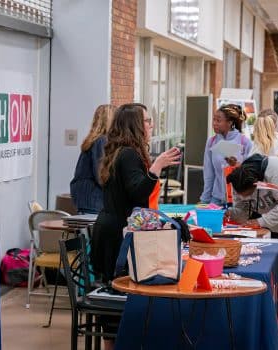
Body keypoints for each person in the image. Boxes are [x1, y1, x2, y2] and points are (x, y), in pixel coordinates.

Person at [90, 103, 181, 350]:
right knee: (119, 293)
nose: (151, 126)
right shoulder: (128, 154)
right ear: (135, 125)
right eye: (147, 121)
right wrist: (157, 166)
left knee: (116, 293)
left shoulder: (120, 152)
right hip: (117, 234)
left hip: (110, 229)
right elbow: (138, 189)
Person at [200, 104, 252, 206]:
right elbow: (209, 174)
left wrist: (237, 165)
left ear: (230, 122)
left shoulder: (245, 142)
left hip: (238, 201)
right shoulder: (211, 142)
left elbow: (250, 175)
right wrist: (205, 200)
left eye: (218, 120)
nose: (214, 123)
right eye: (213, 120)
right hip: (216, 199)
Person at [70, 104, 117, 214]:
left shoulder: (94, 140)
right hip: (93, 199)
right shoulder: (101, 141)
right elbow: (101, 175)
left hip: (86, 198)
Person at [226, 153, 278, 237]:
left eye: (248, 194)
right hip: (272, 227)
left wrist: (260, 221)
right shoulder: (239, 178)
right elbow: (243, 212)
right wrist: (229, 213)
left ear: (256, 184)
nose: (244, 198)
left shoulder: (276, 171)